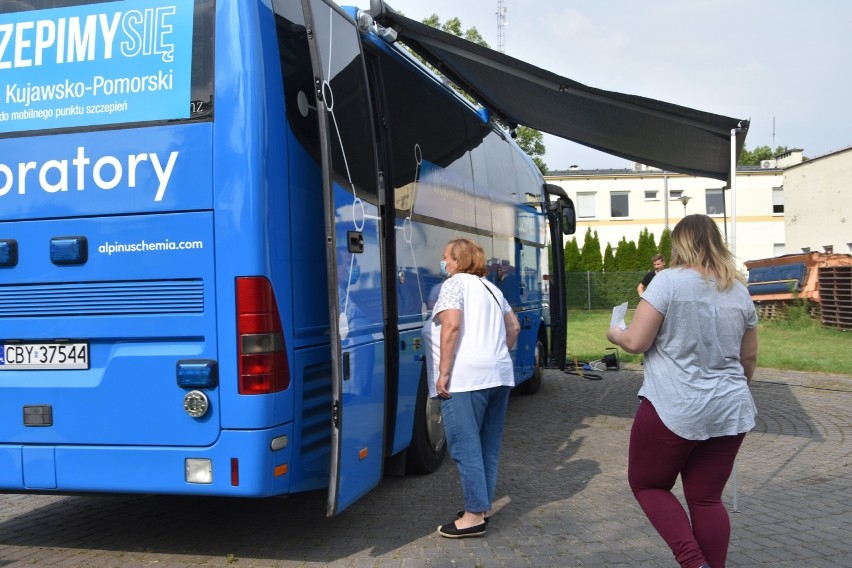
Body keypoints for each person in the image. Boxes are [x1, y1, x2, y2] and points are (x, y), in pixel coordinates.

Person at [606, 214, 758, 568]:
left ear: (681, 244)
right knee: (707, 499)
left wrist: (614, 333)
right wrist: (727, 390)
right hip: (730, 408)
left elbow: (636, 341)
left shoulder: (667, 282)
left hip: (674, 405)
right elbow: (748, 358)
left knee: (648, 485)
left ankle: (693, 562)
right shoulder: (738, 290)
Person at [421, 238, 520, 539]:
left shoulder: (454, 284)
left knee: (465, 447)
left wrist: (443, 373)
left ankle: (474, 516)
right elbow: (513, 327)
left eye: (445, 257)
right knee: (487, 446)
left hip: (465, 379)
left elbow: (451, 326)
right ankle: (481, 507)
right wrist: (496, 356)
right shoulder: (491, 288)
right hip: (499, 376)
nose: (443, 263)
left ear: (456, 260)